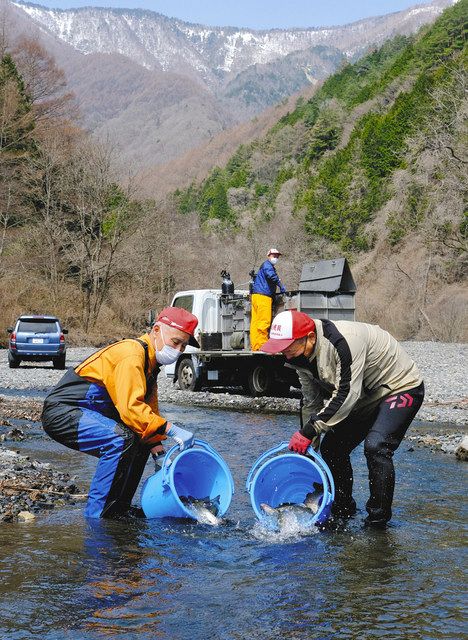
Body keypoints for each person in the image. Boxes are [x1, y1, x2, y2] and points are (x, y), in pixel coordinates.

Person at [260, 310, 424, 528]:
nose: (286, 355)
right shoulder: (298, 358)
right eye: (282, 350)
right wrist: (309, 448)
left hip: (399, 387)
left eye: (290, 348)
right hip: (364, 398)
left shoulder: (344, 342)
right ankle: (342, 510)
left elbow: (346, 396)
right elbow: (311, 403)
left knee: (376, 447)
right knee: (332, 449)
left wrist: (308, 431)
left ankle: (377, 522)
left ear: (310, 337)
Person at [41, 307, 200, 519]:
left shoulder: (150, 365)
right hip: (62, 412)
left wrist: (159, 453)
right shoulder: (131, 354)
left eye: (183, 345)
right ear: (156, 330)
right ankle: (98, 517)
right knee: (119, 440)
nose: (179, 350)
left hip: (86, 413)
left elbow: (148, 413)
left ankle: (120, 508)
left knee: (140, 442)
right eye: (175, 342)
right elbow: (131, 409)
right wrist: (171, 429)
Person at [250, 248, 287, 351]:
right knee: (264, 321)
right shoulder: (267, 265)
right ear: (268, 256)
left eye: (277, 256)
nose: (275, 258)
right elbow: (271, 276)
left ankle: (256, 345)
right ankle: (262, 345)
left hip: (256, 296)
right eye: (273, 256)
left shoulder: (265, 265)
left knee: (255, 322)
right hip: (263, 296)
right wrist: (280, 284)